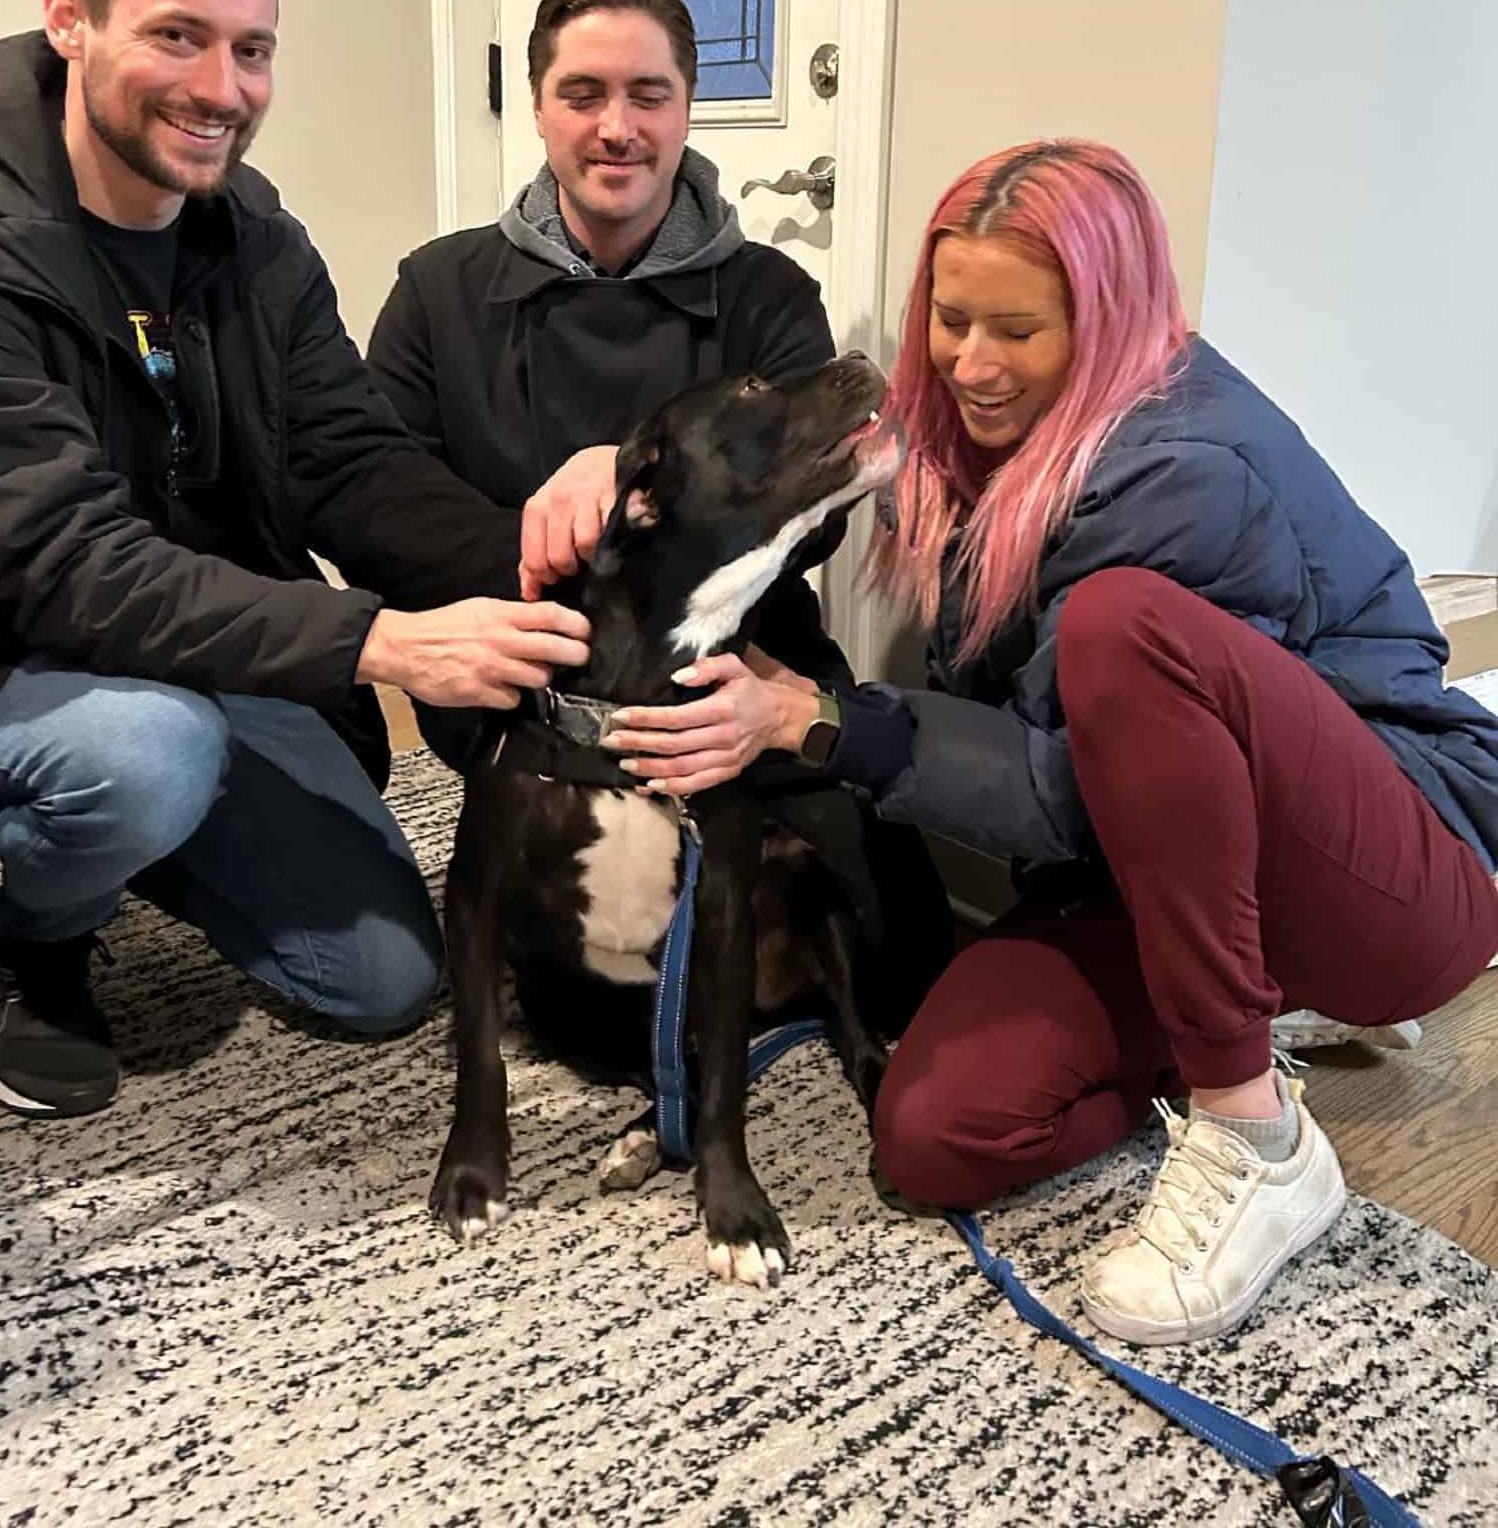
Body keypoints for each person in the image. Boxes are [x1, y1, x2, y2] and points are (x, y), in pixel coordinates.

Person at [603, 138, 1498, 1345]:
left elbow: (1062, 789)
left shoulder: (1178, 470)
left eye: (1015, 330)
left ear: (1108, 316)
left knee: (1125, 628)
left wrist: (813, 716)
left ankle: (1255, 1131)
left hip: (1399, 860)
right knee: (934, 1133)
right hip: (1143, 869)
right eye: (950, 318)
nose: (970, 363)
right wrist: (608, 483)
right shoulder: (989, 434)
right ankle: (1248, 1002)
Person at [0, 0, 589, 1122]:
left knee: (382, 978)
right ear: (69, 17)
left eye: (252, 48)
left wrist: (550, 570)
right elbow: (65, 565)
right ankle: (45, 930)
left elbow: (350, 461)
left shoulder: (255, 237)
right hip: (11, 659)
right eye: (178, 35)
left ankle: (144, 828)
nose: (224, 89)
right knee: (149, 752)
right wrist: (375, 640)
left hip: (205, 647)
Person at [366, 0, 952, 1027]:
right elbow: (380, 501)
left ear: (687, 107)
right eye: (582, 94)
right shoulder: (436, 293)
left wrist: (627, 462)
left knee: (908, 954)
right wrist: (562, 561)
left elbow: (812, 522)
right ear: (538, 108)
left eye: (649, 94)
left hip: (739, 672)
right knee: (559, 1008)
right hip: (534, 684)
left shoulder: (768, 296)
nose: (616, 128)